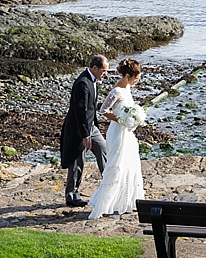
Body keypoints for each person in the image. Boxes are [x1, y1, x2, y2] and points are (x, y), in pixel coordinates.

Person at [87, 57, 146, 218]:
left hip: (127, 132)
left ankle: (125, 201)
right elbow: (103, 110)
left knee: (129, 164)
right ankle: (105, 203)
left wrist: (134, 117)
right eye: (135, 78)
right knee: (116, 165)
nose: (136, 81)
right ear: (127, 76)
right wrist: (121, 119)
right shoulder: (117, 91)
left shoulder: (127, 88)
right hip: (117, 132)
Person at [60, 54, 109, 207]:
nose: (105, 74)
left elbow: (91, 109)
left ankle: (110, 186)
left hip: (90, 127)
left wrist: (92, 128)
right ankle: (71, 195)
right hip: (77, 130)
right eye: (103, 71)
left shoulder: (93, 80)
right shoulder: (82, 83)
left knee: (103, 149)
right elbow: (80, 111)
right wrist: (85, 134)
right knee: (77, 161)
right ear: (94, 68)